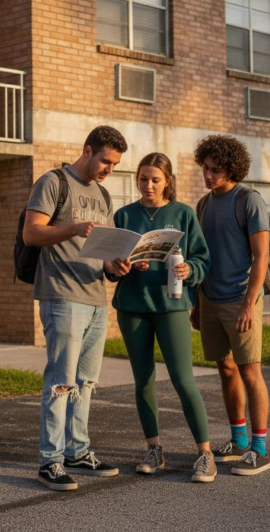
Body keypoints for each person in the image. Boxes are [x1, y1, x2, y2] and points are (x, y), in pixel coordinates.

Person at [22, 125, 130, 491]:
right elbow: (32, 233)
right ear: (87, 150)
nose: (108, 170)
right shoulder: (53, 182)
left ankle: (77, 452)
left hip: (96, 298)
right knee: (61, 383)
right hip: (61, 295)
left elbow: (102, 250)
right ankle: (49, 461)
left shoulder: (102, 194)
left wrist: (116, 266)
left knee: (85, 383)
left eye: (114, 165)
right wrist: (74, 227)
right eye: (105, 161)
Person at [110, 152, 216, 483]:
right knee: (143, 380)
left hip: (171, 306)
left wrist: (190, 269)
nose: (149, 185)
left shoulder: (183, 214)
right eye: (143, 179)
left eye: (155, 179)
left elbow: (202, 259)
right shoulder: (125, 215)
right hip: (132, 307)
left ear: (167, 180)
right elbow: (112, 267)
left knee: (184, 379)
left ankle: (205, 453)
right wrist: (124, 265)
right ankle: (154, 450)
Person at [193, 134, 270, 476]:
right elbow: (201, 256)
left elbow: (262, 255)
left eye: (216, 169)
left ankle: (259, 448)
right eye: (206, 168)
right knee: (224, 368)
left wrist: (249, 304)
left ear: (232, 168)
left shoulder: (249, 200)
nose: (209, 175)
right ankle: (238, 439)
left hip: (241, 299)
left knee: (250, 371)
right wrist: (198, 303)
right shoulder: (204, 204)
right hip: (210, 299)